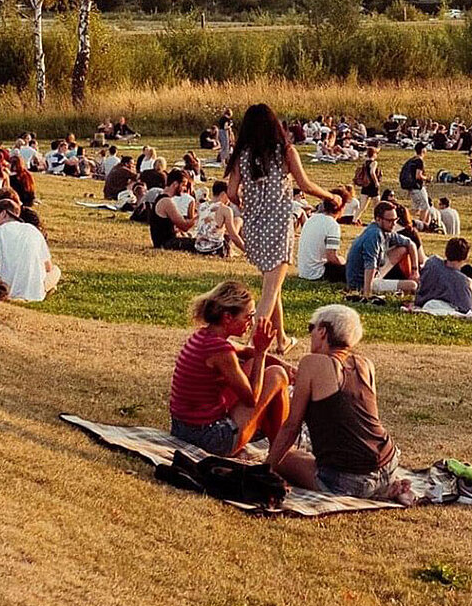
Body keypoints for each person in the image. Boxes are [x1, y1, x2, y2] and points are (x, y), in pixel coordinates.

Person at [264, 304, 415, 503]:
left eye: (312, 328)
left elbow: (291, 427)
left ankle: (369, 489)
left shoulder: (312, 363)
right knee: (306, 457)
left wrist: (264, 469)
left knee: (286, 459)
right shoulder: (365, 364)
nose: (311, 335)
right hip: (388, 462)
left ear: (322, 331)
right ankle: (384, 486)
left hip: (349, 479)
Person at [225, 104, 340, 345]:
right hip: (278, 227)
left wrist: (246, 205)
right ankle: (251, 347)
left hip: (254, 228)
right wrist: (329, 197)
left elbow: (232, 192)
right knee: (268, 294)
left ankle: (282, 340)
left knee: (272, 284)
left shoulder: (242, 155)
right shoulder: (285, 152)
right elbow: (305, 185)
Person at [168, 281, 289, 457]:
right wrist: (262, 353)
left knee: (255, 367)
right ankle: (281, 451)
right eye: (248, 316)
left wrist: (286, 365)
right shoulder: (220, 351)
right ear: (227, 317)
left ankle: (278, 444)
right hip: (209, 437)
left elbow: (247, 351)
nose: (252, 322)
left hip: (183, 429)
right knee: (277, 376)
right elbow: (252, 399)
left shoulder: (205, 336)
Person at [0, 197, 60, 300]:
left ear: (4, 213)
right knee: (56, 270)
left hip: (5, 289)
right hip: (36, 294)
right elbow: (48, 267)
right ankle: (47, 288)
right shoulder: (33, 230)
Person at [343, 201, 418, 300]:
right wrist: (367, 294)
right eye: (390, 221)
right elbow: (370, 265)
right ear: (378, 219)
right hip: (362, 282)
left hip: (376, 272)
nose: (394, 224)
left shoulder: (385, 230)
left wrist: (415, 271)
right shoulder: (374, 234)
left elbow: (410, 244)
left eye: (395, 220)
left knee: (403, 248)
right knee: (413, 285)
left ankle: (408, 277)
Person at [413, 238, 472, 313]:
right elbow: (467, 307)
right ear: (464, 257)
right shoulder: (461, 281)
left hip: (423, 301)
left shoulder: (432, 263)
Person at [296, 193, 347, 283]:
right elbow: (331, 257)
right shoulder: (332, 224)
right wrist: (343, 262)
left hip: (304, 271)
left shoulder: (312, 218)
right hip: (318, 273)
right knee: (353, 270)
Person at [193, 180, 244, 258]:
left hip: (199, 247)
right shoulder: (225, 209)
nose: (229, 199)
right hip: (216, 249)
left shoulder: (202, 206)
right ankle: (235, 249)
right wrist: (248, 251)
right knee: (238, 220)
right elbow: (233, 236)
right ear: (223, 194)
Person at [398, 143, 430, 224]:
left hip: (412, 187)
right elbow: (418, 176)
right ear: (423, 150)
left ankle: (403, 218)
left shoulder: (412, 160)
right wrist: (427, 178)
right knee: (425, 206)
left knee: (416, 209)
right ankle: (421, 224)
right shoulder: (419, 161)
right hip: (417, 187)